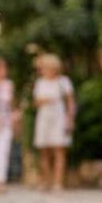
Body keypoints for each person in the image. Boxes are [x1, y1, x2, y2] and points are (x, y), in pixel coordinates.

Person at [31, 54, 76, 192]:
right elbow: (36, 102)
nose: (42, 70)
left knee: (59, 150)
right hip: (44, 118)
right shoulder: (40, 82)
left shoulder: (63, 81)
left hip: (59, 117)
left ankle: (58, 182)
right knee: (44, 151)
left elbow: (70, 102)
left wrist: (70, 119)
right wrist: (45, 100)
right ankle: (46, 181)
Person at [0, 58, 17, 194]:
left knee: (3, 151)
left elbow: (11, 104)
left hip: (5, 121)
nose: (4, 71)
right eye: (1, 68)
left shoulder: (8, 85)